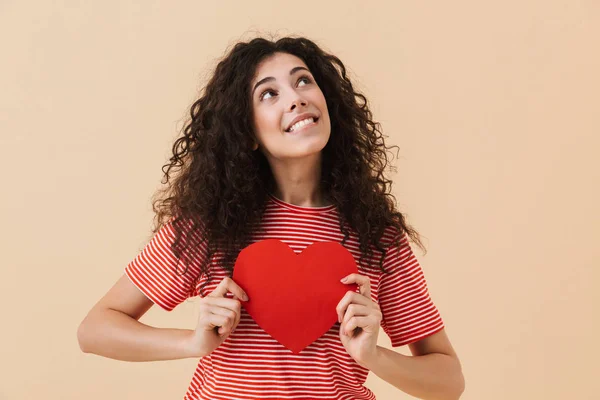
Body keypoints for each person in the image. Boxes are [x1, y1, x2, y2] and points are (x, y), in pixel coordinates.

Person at [77, 35, 465, 400]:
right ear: (247, 130)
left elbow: (449, 381)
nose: (296, 99)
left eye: (304, 82)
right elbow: (94, 330)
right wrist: (192, 342)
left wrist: (373, 355)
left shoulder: (376, 234)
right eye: (269, 93)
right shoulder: (209, 223)